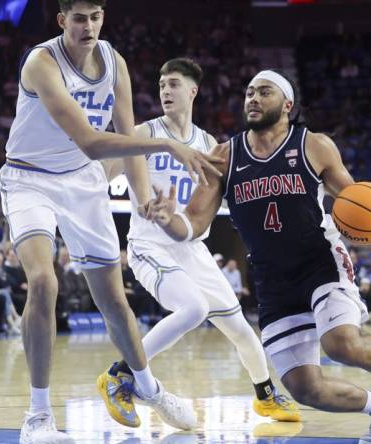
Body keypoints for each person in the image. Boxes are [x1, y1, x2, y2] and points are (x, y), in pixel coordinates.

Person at [147, 68, 371, 443]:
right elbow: (192, 224)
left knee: (340, 343)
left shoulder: (313, 145)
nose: (252, 98)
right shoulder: (224, 156)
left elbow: (356, 199)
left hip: (319, 261)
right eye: (249, 92)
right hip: (272, 280)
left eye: (264, 92)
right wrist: (165, 220)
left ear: (287, 104)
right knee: (305, 389)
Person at [0, 1, 222, 441]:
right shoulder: (42, 63)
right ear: (62, 20)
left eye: (95, 17)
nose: (88, 26)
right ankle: (38, 417)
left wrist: (144, 200)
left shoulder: (114, 61)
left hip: (81, 184)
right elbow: (91, 142)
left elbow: (124, 134)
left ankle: (148, 387)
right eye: (79, 18)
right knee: (44, 282)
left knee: (115, 301)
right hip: (30, 178)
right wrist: (167, 147)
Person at [101, 57, 299, 423]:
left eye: (173, 84)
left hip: (193, 248)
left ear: (192, 91)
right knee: (193, 309)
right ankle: (119, 374)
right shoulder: (144, 134)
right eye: (161, 85)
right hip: (149, 245)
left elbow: (229, 196)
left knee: (240, 328)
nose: (165, 91)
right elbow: (103, 170)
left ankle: (265, 396)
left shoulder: (208, 144)